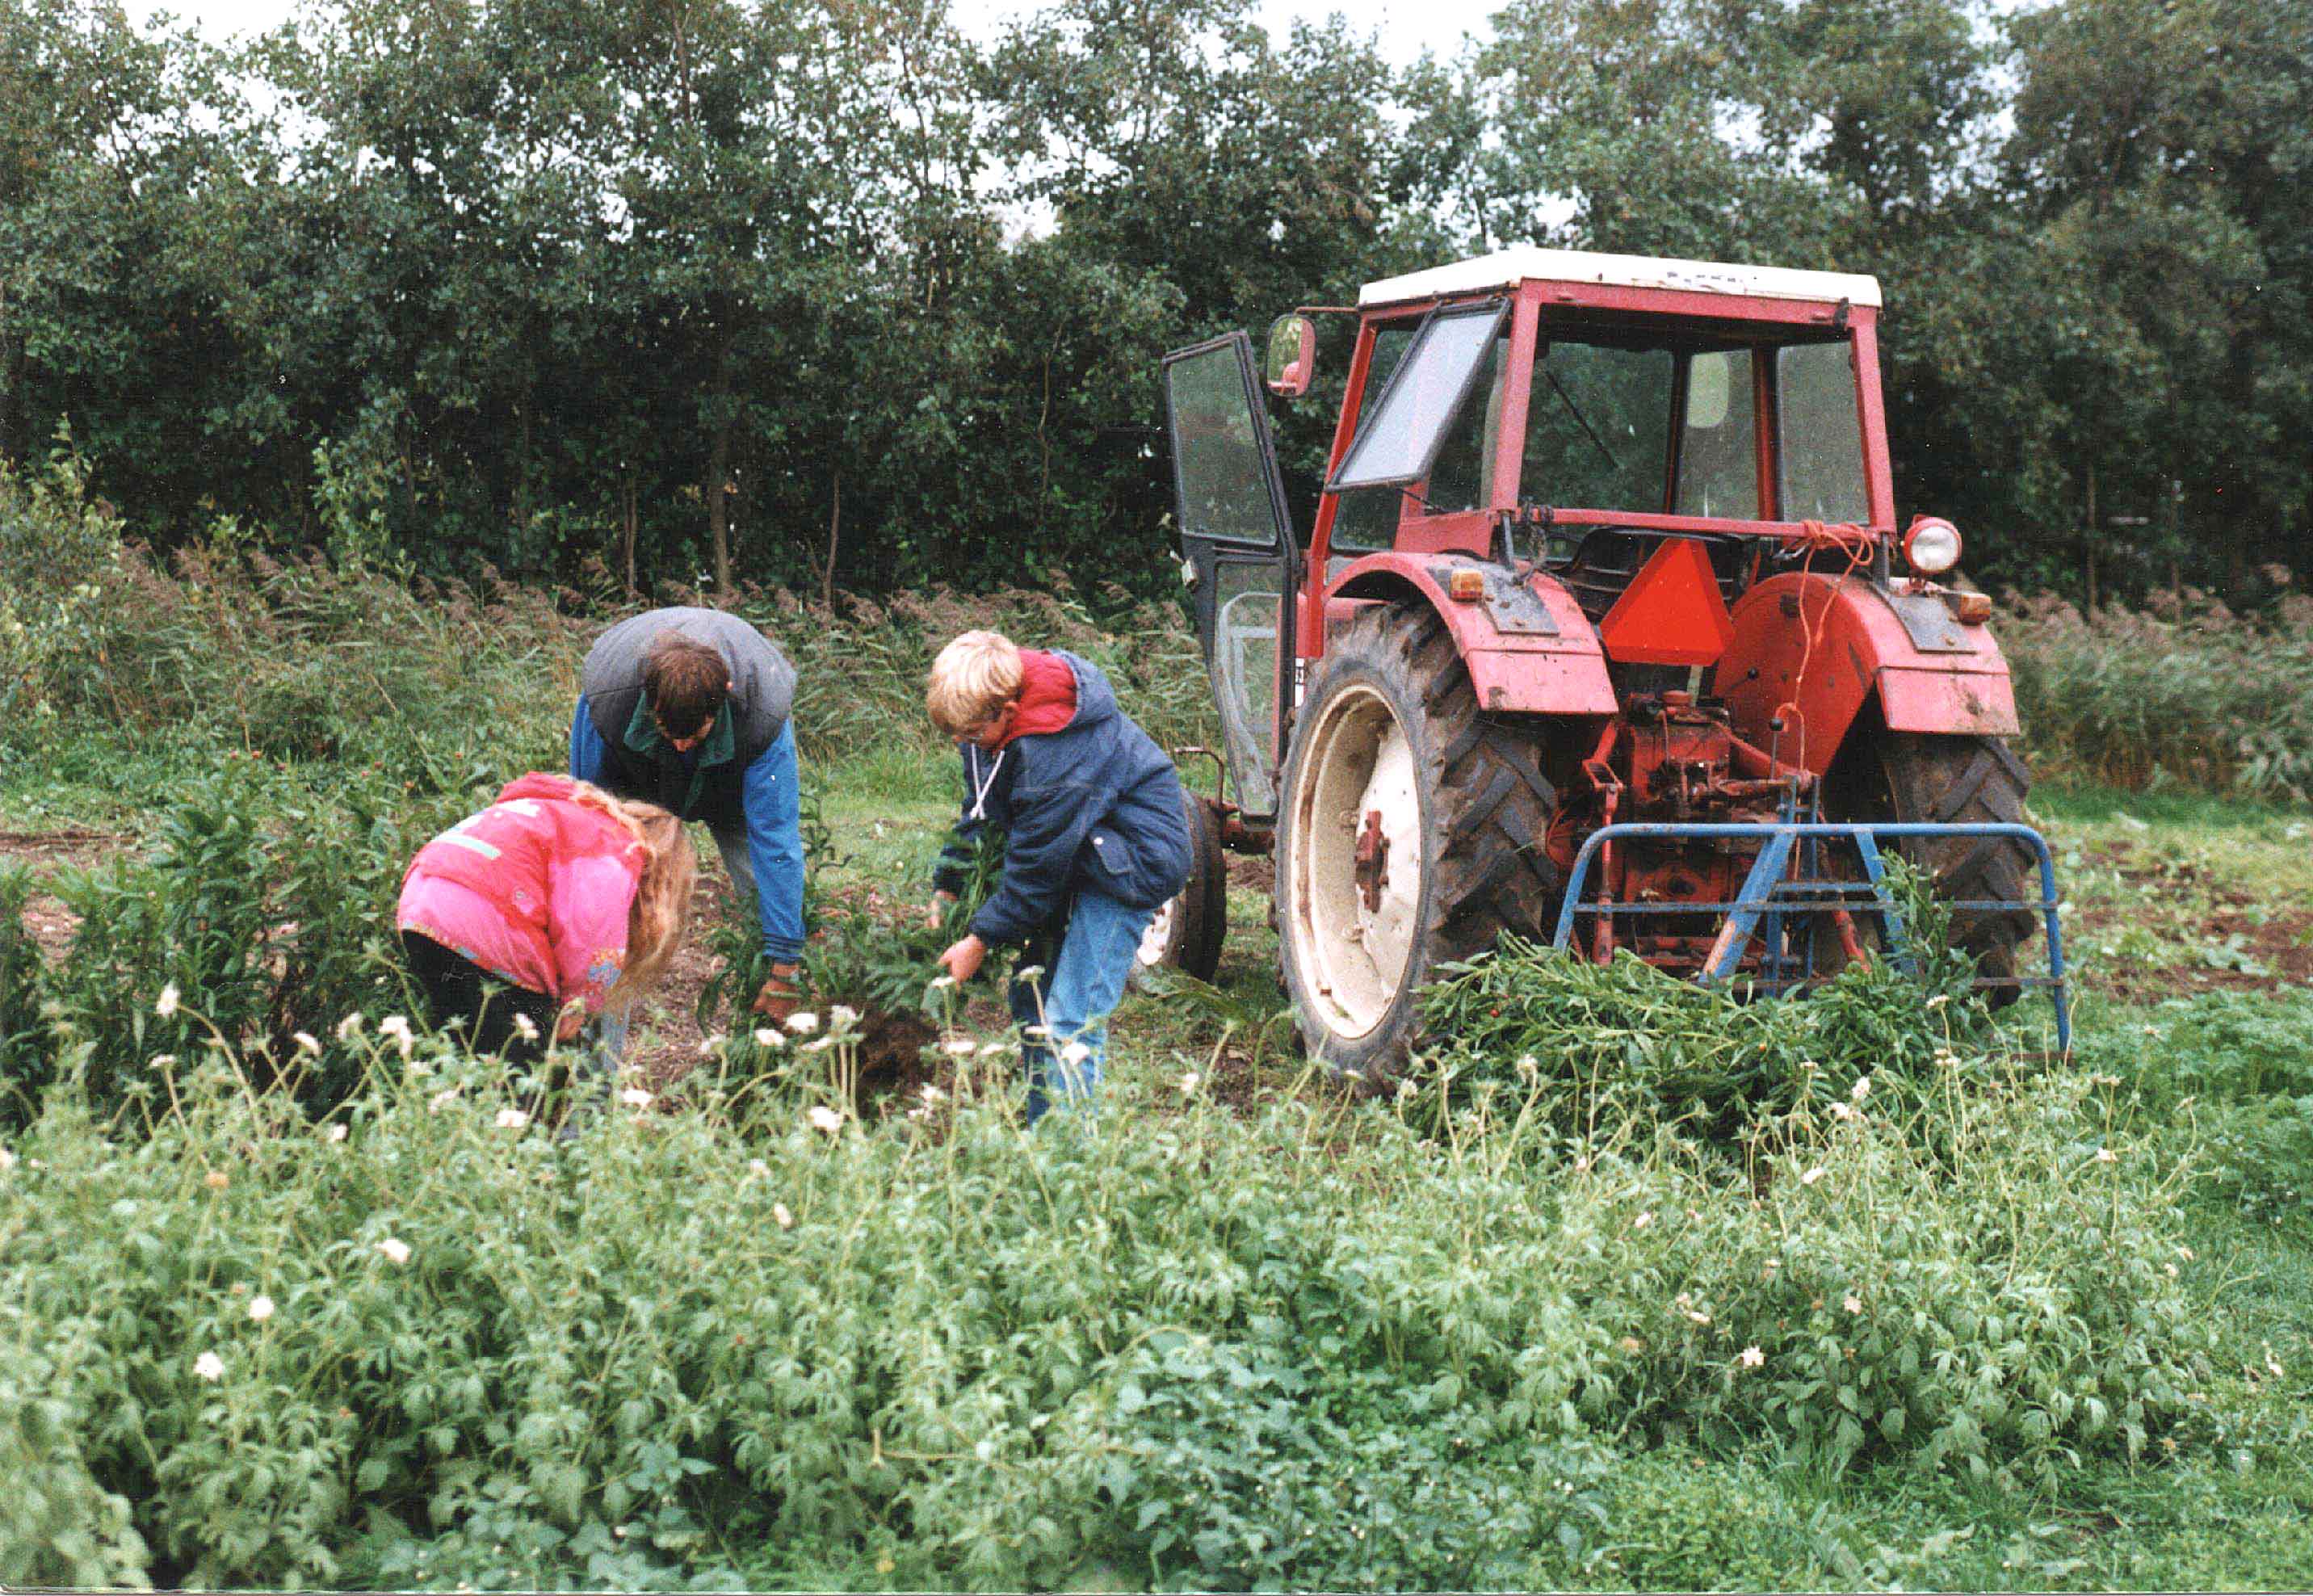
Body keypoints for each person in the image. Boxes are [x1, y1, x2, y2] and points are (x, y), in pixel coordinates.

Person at [926, 630, 1192, 1123]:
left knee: (1073, 1017)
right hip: (1085, 847)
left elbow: (1035, 872)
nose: (966, 746)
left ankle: (1071, 1159)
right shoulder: (986, 728)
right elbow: (979, 810)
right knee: (1032, 999)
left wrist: (978, 940)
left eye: (973, 735)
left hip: (1132, 862)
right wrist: (948, 884)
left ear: (1007, 712)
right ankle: (1042, 1133)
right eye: (955, 736)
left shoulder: (1055, 751)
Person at [570, 607, 804, 1030]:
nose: (680, 746)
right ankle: (595, 1046)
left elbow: (777, 840)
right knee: (611, 893)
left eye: (694, 736)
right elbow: (588, 819)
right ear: (649, 700)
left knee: (759, 881)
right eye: (668, 731)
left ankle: (765, 1028)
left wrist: (785, 961)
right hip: (637, 771)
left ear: (726, 696)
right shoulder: (609, 700)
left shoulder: (762, 715)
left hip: (730, 778)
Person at [396, 773, 695, 1093]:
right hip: (484, 919)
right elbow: (591, 931)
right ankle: (511, 1132)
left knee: (464, 1050)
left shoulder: (560, 812)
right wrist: (580, 1001)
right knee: (521, 1071)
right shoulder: (616, 845)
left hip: (421, 900)